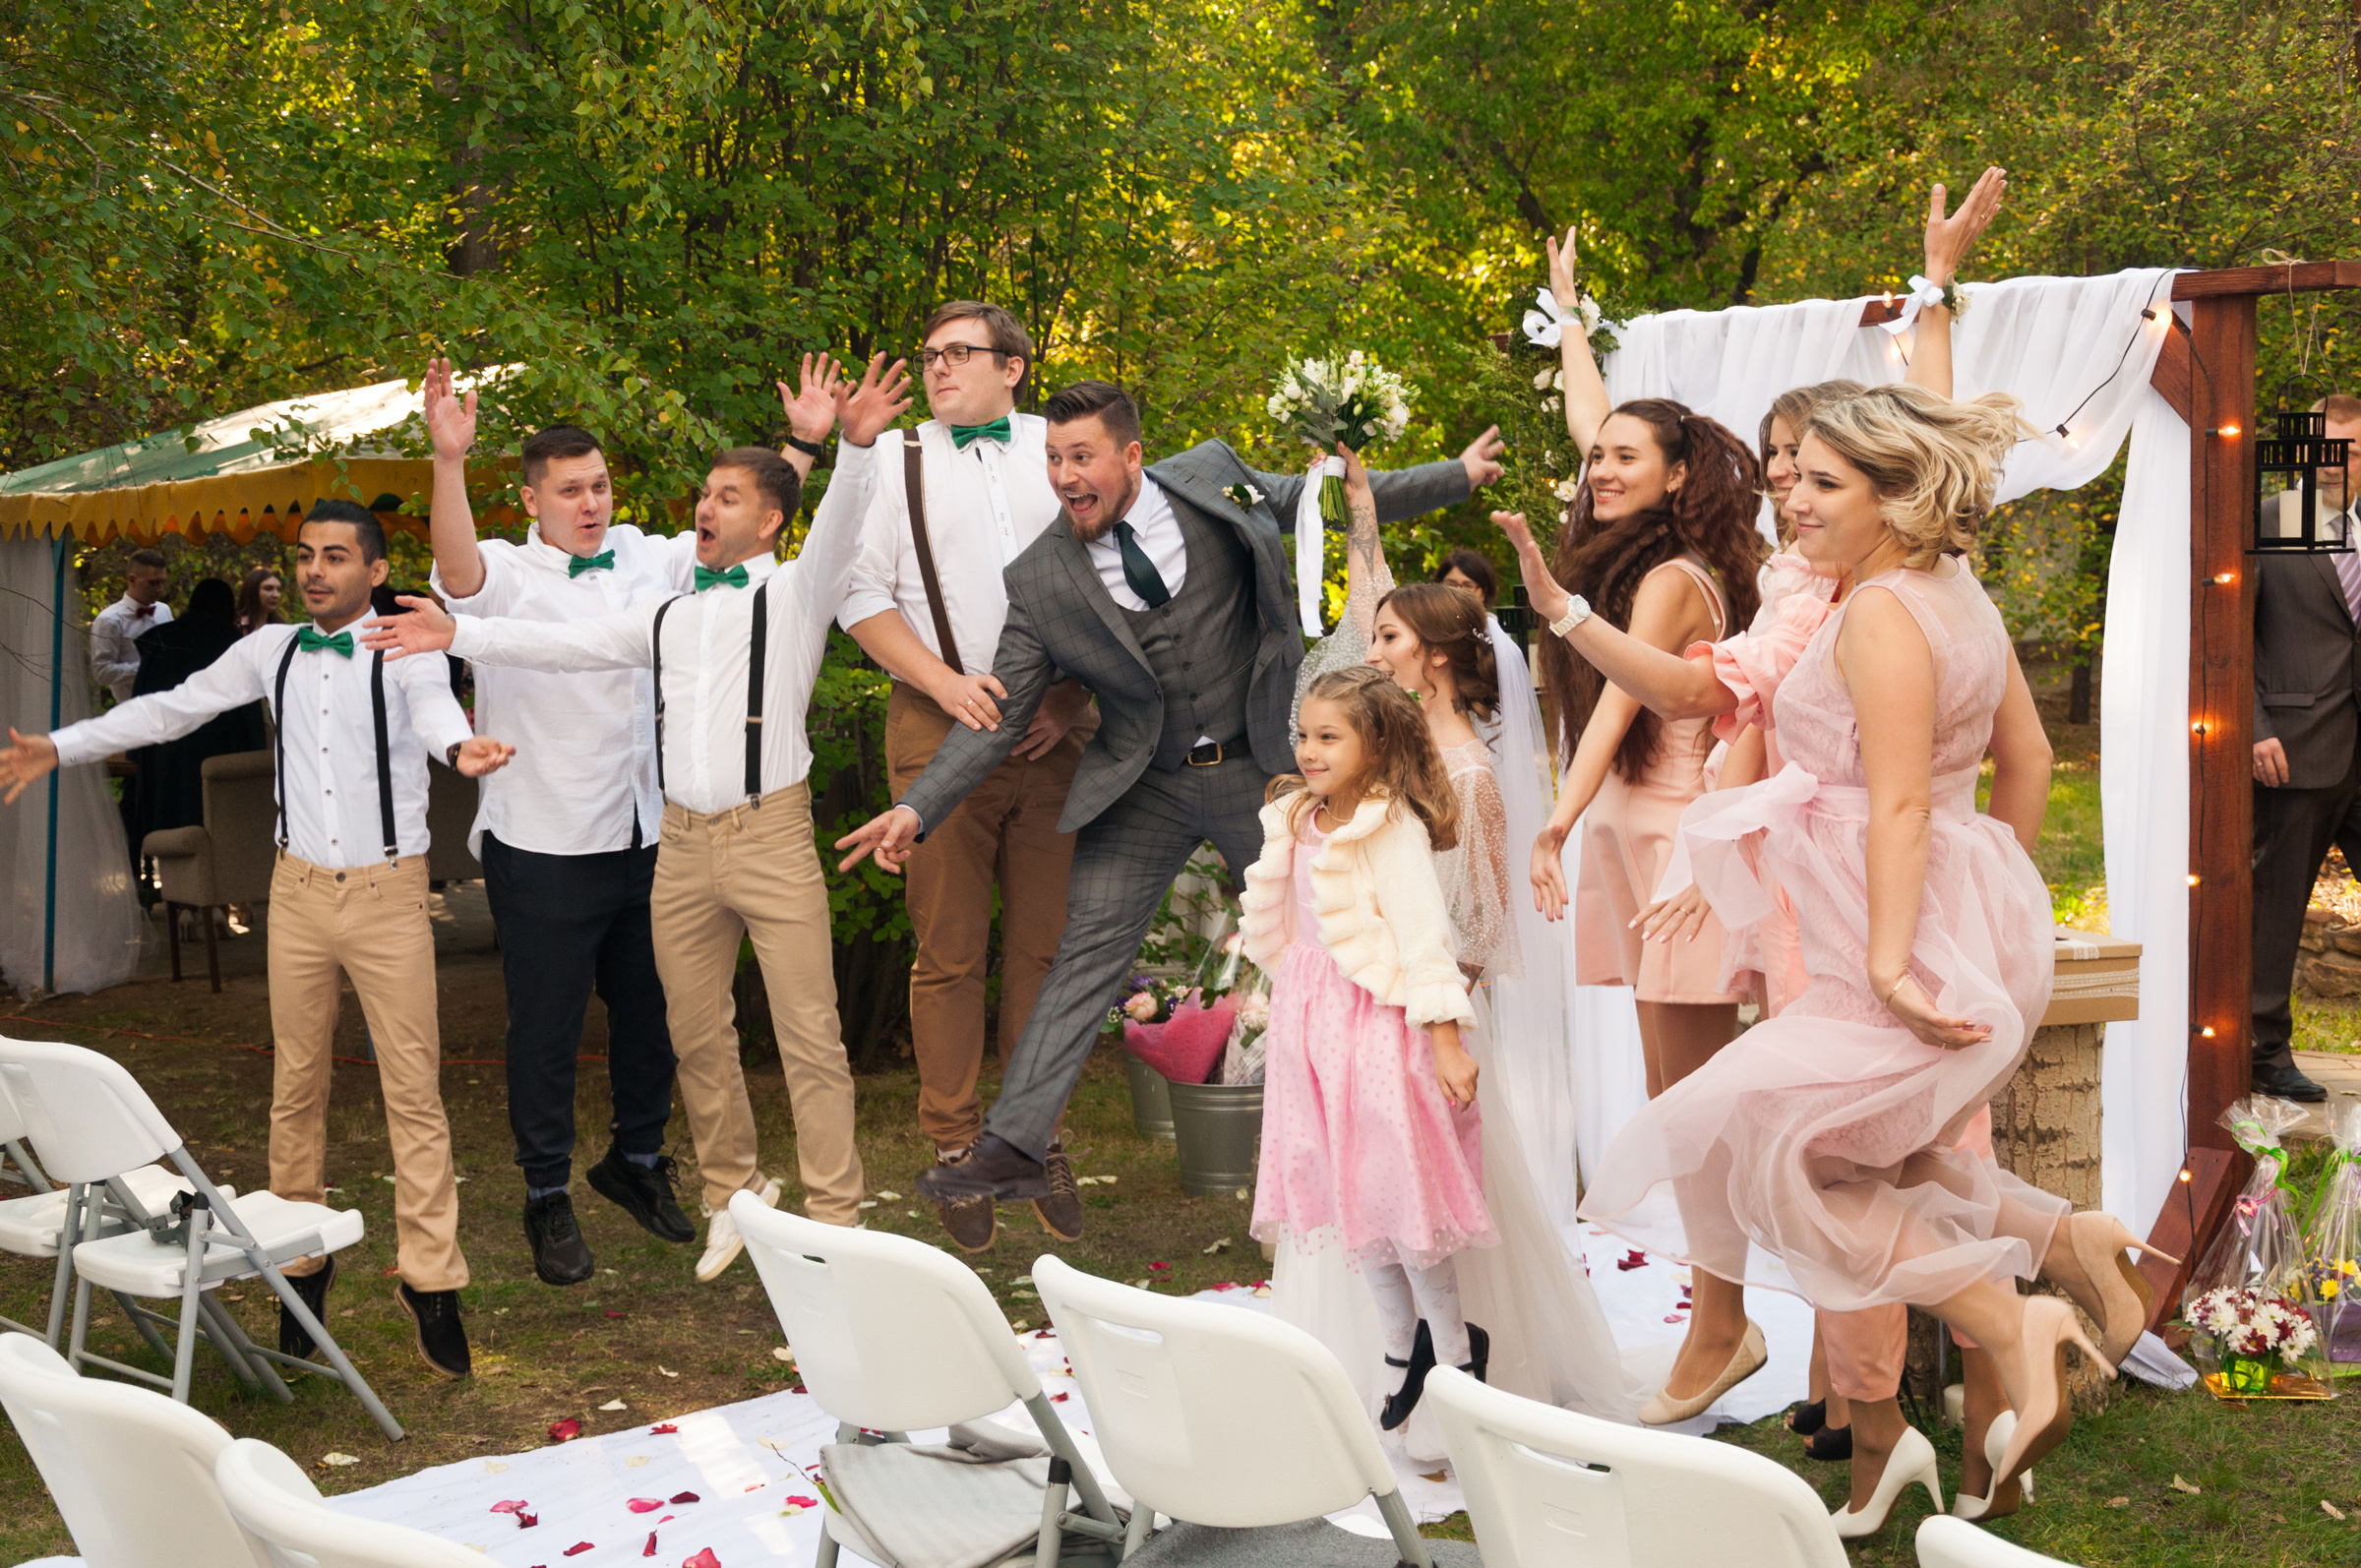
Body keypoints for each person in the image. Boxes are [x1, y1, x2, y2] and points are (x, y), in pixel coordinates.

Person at [1504, 383, 2171, 1533]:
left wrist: (1903, 957)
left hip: (1876, 933)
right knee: (1886, 1161)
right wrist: (1986, 902)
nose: (1790, 498)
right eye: (1790, 473)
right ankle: (2064, 1245)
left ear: (1895, 495)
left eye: (1820, 481)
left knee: (1773, 1145)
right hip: (1918, 915)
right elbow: (2024, 762)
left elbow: (1904, 803)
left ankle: (2018, 1324)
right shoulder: (1951, 592)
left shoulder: (1874, 615)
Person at [832, 380, 1503, 1228]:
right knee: (1084, 953)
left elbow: (1323, 503)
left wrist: (1458, 474)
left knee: (1346, 928)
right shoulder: (1040, 577)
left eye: (1081, 458)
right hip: (1143, 782)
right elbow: (999, 715)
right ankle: (1013, 1143)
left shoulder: (1213, 477)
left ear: (1132, 456)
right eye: (1052, 460)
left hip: (1259, 770)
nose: (1064, 476)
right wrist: (918, 809)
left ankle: (1412, 1100)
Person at [361, 353, 911, 1284]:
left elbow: (816, 522)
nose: (703, 506)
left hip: (746, 833)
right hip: (644, 840)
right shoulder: (658, 607)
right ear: (534, 499)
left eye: (725, 498)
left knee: (795, 1035)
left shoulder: (769, 586)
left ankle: (835, 1220)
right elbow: (562, 644)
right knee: (684, 1034)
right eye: (702, 493)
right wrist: (459, 630)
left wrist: (835, 446)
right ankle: (718, 1198)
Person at [0, 501, 517, 1379]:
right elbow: (168, 712)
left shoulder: (403, 648)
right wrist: (59, 746)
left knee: (413, 1093)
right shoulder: (266, 649)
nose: (317, 570)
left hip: (390, 896)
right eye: (308, 556)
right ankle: (300, 1268)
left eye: (338, 557)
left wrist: (462, 748)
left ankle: (432, 1281)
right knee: (295, 1088)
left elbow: (435, 714)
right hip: (299, 892)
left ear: (374, 571)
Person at [1270, 454, 1640, 1446]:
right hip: (1354, 1012)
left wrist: (1420, 1016)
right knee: (1365, 1205)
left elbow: (1477, 922)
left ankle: (1464, 1386)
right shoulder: (1370, 753)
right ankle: (1383, 1368)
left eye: (1387, 636)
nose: (1370, 644)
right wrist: (1357, 509)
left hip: (1421, 1019)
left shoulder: (1468, 772)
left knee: (1436, 1210)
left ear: (1432, 656)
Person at [418, 360, 738, 1285]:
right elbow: (454, 571)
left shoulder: (649, 552)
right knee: (546, 1031)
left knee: (657, 1015)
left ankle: (635, 1162)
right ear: (532, 500)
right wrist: (448, 462)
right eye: (570, 491)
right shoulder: (507, 574)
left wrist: (800, 447)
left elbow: (734, 542)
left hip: (651, 833)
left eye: (598, 486)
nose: (590, 503)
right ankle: (545, 1194)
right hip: (545, 840)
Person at [836, 301, 1100, 1250]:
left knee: (1044, 952)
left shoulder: (1060, 450)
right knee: (947, 950)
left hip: (1060, 727)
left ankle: (1033, 1137)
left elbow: (1115, 570)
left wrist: (1074, 703)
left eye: (960, 354)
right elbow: (857, 595)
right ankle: (954, 1147)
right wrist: (943, 683)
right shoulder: (895, 460)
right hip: (937, 722)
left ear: (1013, 368)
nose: (940, 369)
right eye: (931, 355)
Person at [1240, 666, 1488, 1426]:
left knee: (1398, 1193)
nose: (1308, 751)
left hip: (1379, 1023)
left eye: (1328, 737)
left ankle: (1455, 1357)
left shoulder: (1390, 827)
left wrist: (1446, 1043)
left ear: (1375, 745)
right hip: (1312, 1022)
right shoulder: (1293, 818)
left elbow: (1422, 939)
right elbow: (1289, 920)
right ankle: (1396, 1346)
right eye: (1302, 736)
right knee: (1350, 1193)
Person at [2249, 392, 2361, 1106]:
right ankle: (2263, 1050)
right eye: (2323, 447)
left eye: (2350, 448)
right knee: (2278, 906)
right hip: (2295, 746)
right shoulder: (2275, 518)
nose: (2336, 462)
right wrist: (2254, 724)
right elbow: (2229, 633)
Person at [125, 577, 269, 852]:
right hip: (217, 753)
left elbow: (140, 699)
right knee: (213, 829)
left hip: (163, 749)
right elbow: (247, 709)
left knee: (168, 823)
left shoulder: (161, 641)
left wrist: (136, 753)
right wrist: (257, 754)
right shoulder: (230, 643)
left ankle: (168, 889)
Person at [91, 548, 173, 703]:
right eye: (153, 583)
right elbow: (101, 672)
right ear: (132, 579)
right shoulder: (109, 620)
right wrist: (145, 668)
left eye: (162, 582)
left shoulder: (164, 610)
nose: (159, 589)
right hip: (132, 709)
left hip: (168, 706)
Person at [1432, 548, 1497, 606]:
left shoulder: (1491, 620)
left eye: (1468, 586)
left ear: (1484, 593)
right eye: (1451, 584)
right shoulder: (1426, 619)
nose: (1458, 591)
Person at [237, 567, 284, 635]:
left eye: (278, 589)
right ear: (253, 591)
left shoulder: (280, 626)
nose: (276, 595)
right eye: (268, 588)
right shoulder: (238, 625)